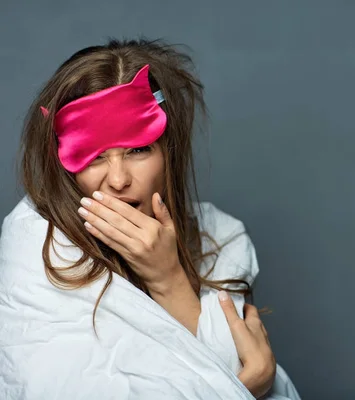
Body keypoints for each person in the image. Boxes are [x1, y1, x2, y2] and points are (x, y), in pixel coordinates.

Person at [0, 38, 300, 399]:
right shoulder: (36, 242)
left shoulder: (221, 237)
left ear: (167, 150)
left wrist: (168, 278)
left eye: (138, 150)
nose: (118, 179)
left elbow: (231, 370)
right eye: (94, 157)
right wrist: (250, 383)